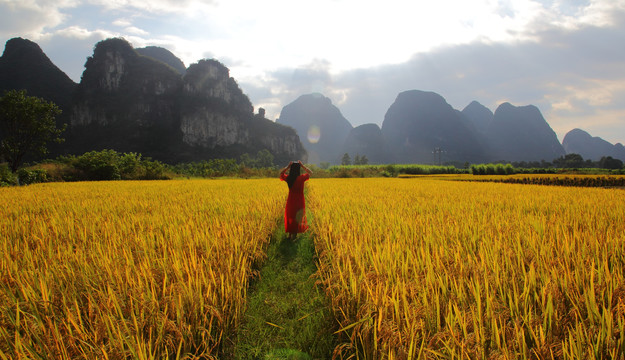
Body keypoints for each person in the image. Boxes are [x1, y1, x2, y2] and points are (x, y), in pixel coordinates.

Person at [279, 160, 313, 240]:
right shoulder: (301, 178)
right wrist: (303, 166)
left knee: (290, 216)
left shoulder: (288, 178)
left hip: (291, 200)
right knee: (297, 217)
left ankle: (290, 235)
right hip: (299, 200)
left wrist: (287, 167)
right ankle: (294, 236)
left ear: (291, 169)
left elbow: (281, 174)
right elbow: (311, 173)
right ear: (299, 169)